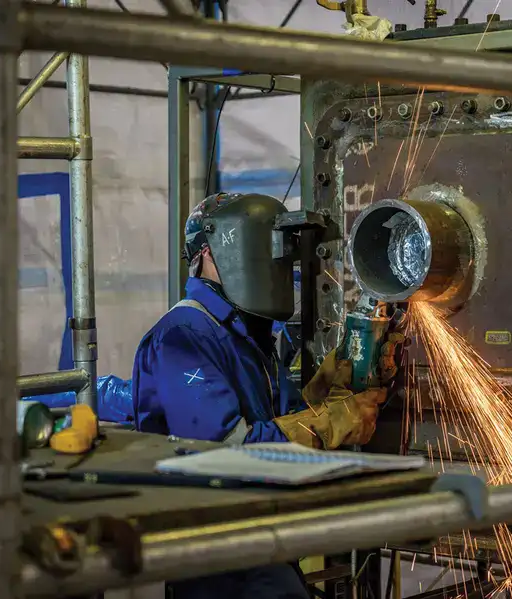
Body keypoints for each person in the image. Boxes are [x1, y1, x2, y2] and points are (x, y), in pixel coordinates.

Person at [132, 193, 398, 599]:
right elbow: (228, 451)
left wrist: (336, 383)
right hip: (216, 546)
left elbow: (281, 420)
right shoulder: (184, 335)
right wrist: (331, 421)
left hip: (259, 529)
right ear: (209, 252)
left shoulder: (245, 335)